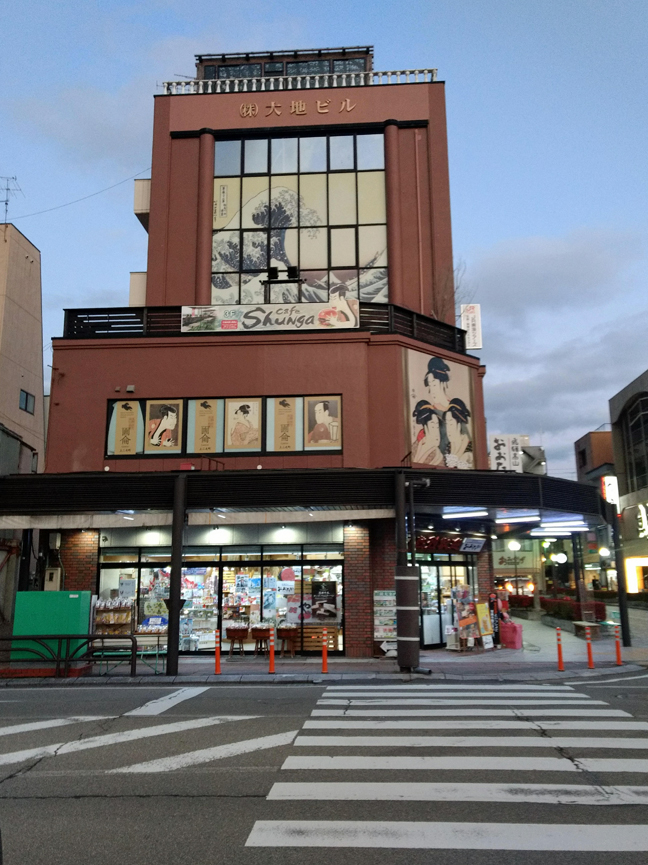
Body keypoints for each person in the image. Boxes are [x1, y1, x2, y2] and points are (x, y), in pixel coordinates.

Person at [411, 400, 445, 465]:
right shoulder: (416, 447)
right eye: (432, 427)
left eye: (437, 427)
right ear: (425, 428)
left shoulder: (438, 456)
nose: (436, 432)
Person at [443, 397, 473, 469]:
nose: (448, 429)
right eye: (447, 424)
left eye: (451, 424)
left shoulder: (470, 446)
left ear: (459, 425)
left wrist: (466, 457)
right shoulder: (448, 448)